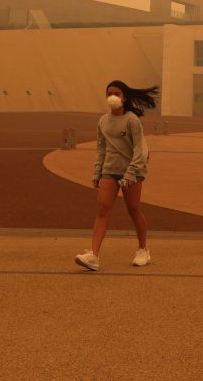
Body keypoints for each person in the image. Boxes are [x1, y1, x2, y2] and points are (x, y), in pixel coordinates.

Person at [75, 80, 158, 272]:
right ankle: (94, 256)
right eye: (109, 93)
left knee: (133, 210)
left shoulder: (131, 120)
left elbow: (139, 149)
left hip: (132, 172)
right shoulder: (103, 121)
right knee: (102, 209)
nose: (112, 96)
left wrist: (131, 173)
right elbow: (101, 148)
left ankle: (143, 249)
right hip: (109, 171)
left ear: (124, 97)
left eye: (117, 93)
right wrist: (97, 171)